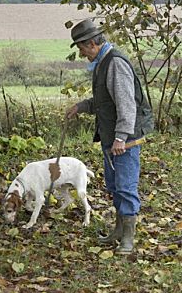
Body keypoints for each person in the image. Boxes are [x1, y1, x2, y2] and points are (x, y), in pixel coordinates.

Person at [66, 19, 154, 255]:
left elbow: (126, 105)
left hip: (124, 139)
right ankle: (118, 231)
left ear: (93, 43)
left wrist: (120, 138)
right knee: (114, 186)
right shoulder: (103, 62)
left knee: (125, 186)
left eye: (83, 49)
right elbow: (106, 101)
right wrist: (82, 106)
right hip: (113, 137)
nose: (83, 54)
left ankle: (128, 238)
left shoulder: (115, 63)